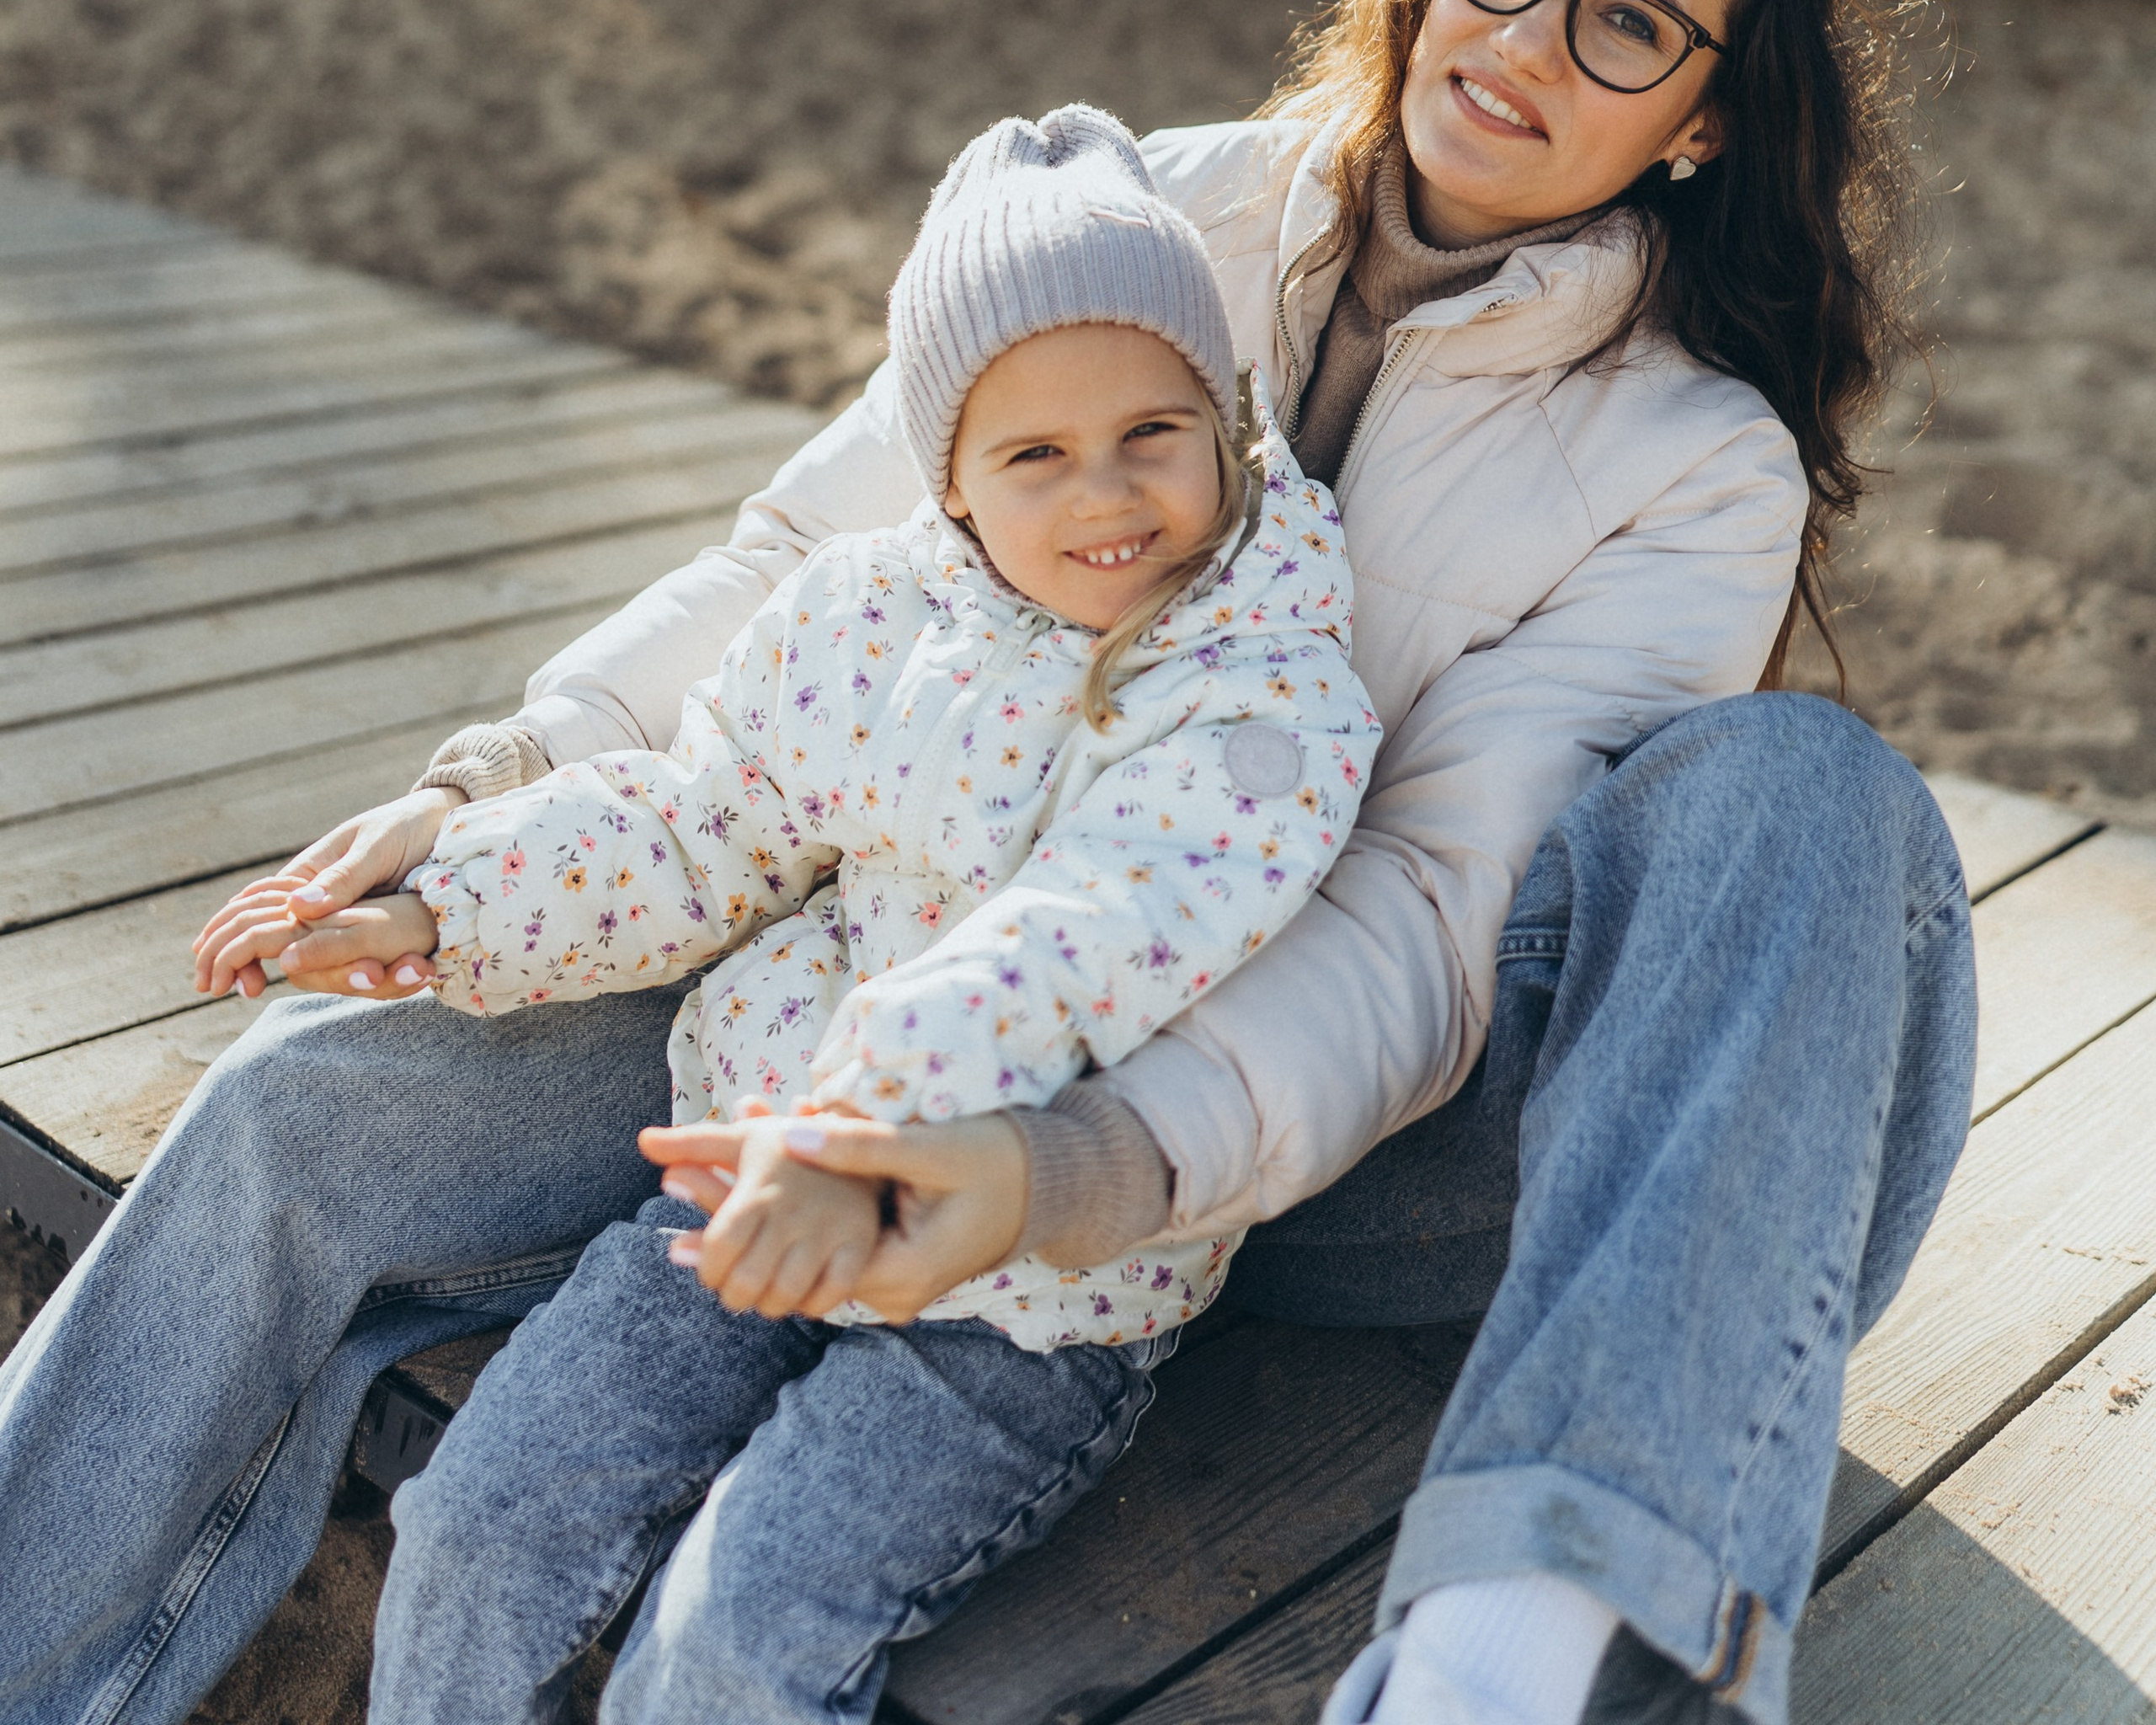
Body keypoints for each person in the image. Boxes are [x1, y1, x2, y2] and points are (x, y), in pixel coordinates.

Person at [0, 0, 1973, 1725]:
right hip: (896, 982)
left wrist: (1070, 1160)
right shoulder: (1139, 211)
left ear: (1705, 118)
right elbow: (804, 558)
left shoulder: (1691, 460)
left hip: (1310, 1151)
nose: (1529, 31)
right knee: (297, 1096)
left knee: (1800, 788)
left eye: (1625, 22)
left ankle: (1519, 1659)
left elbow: (1423, 912)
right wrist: (486, 794)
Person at [200, 103, 1377, 1722]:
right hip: (736, 1201)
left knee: (733, 1639)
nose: (1107, 496)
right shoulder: (868, 619)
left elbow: (1092, 930)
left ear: (1228, 421)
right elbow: (704, 823)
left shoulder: (1266, 688)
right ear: (952, 480)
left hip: (1024, 1305)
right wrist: (443, 911)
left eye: (1154, 433)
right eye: (1034, 454)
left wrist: (859, 1116)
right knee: (477, 1516)